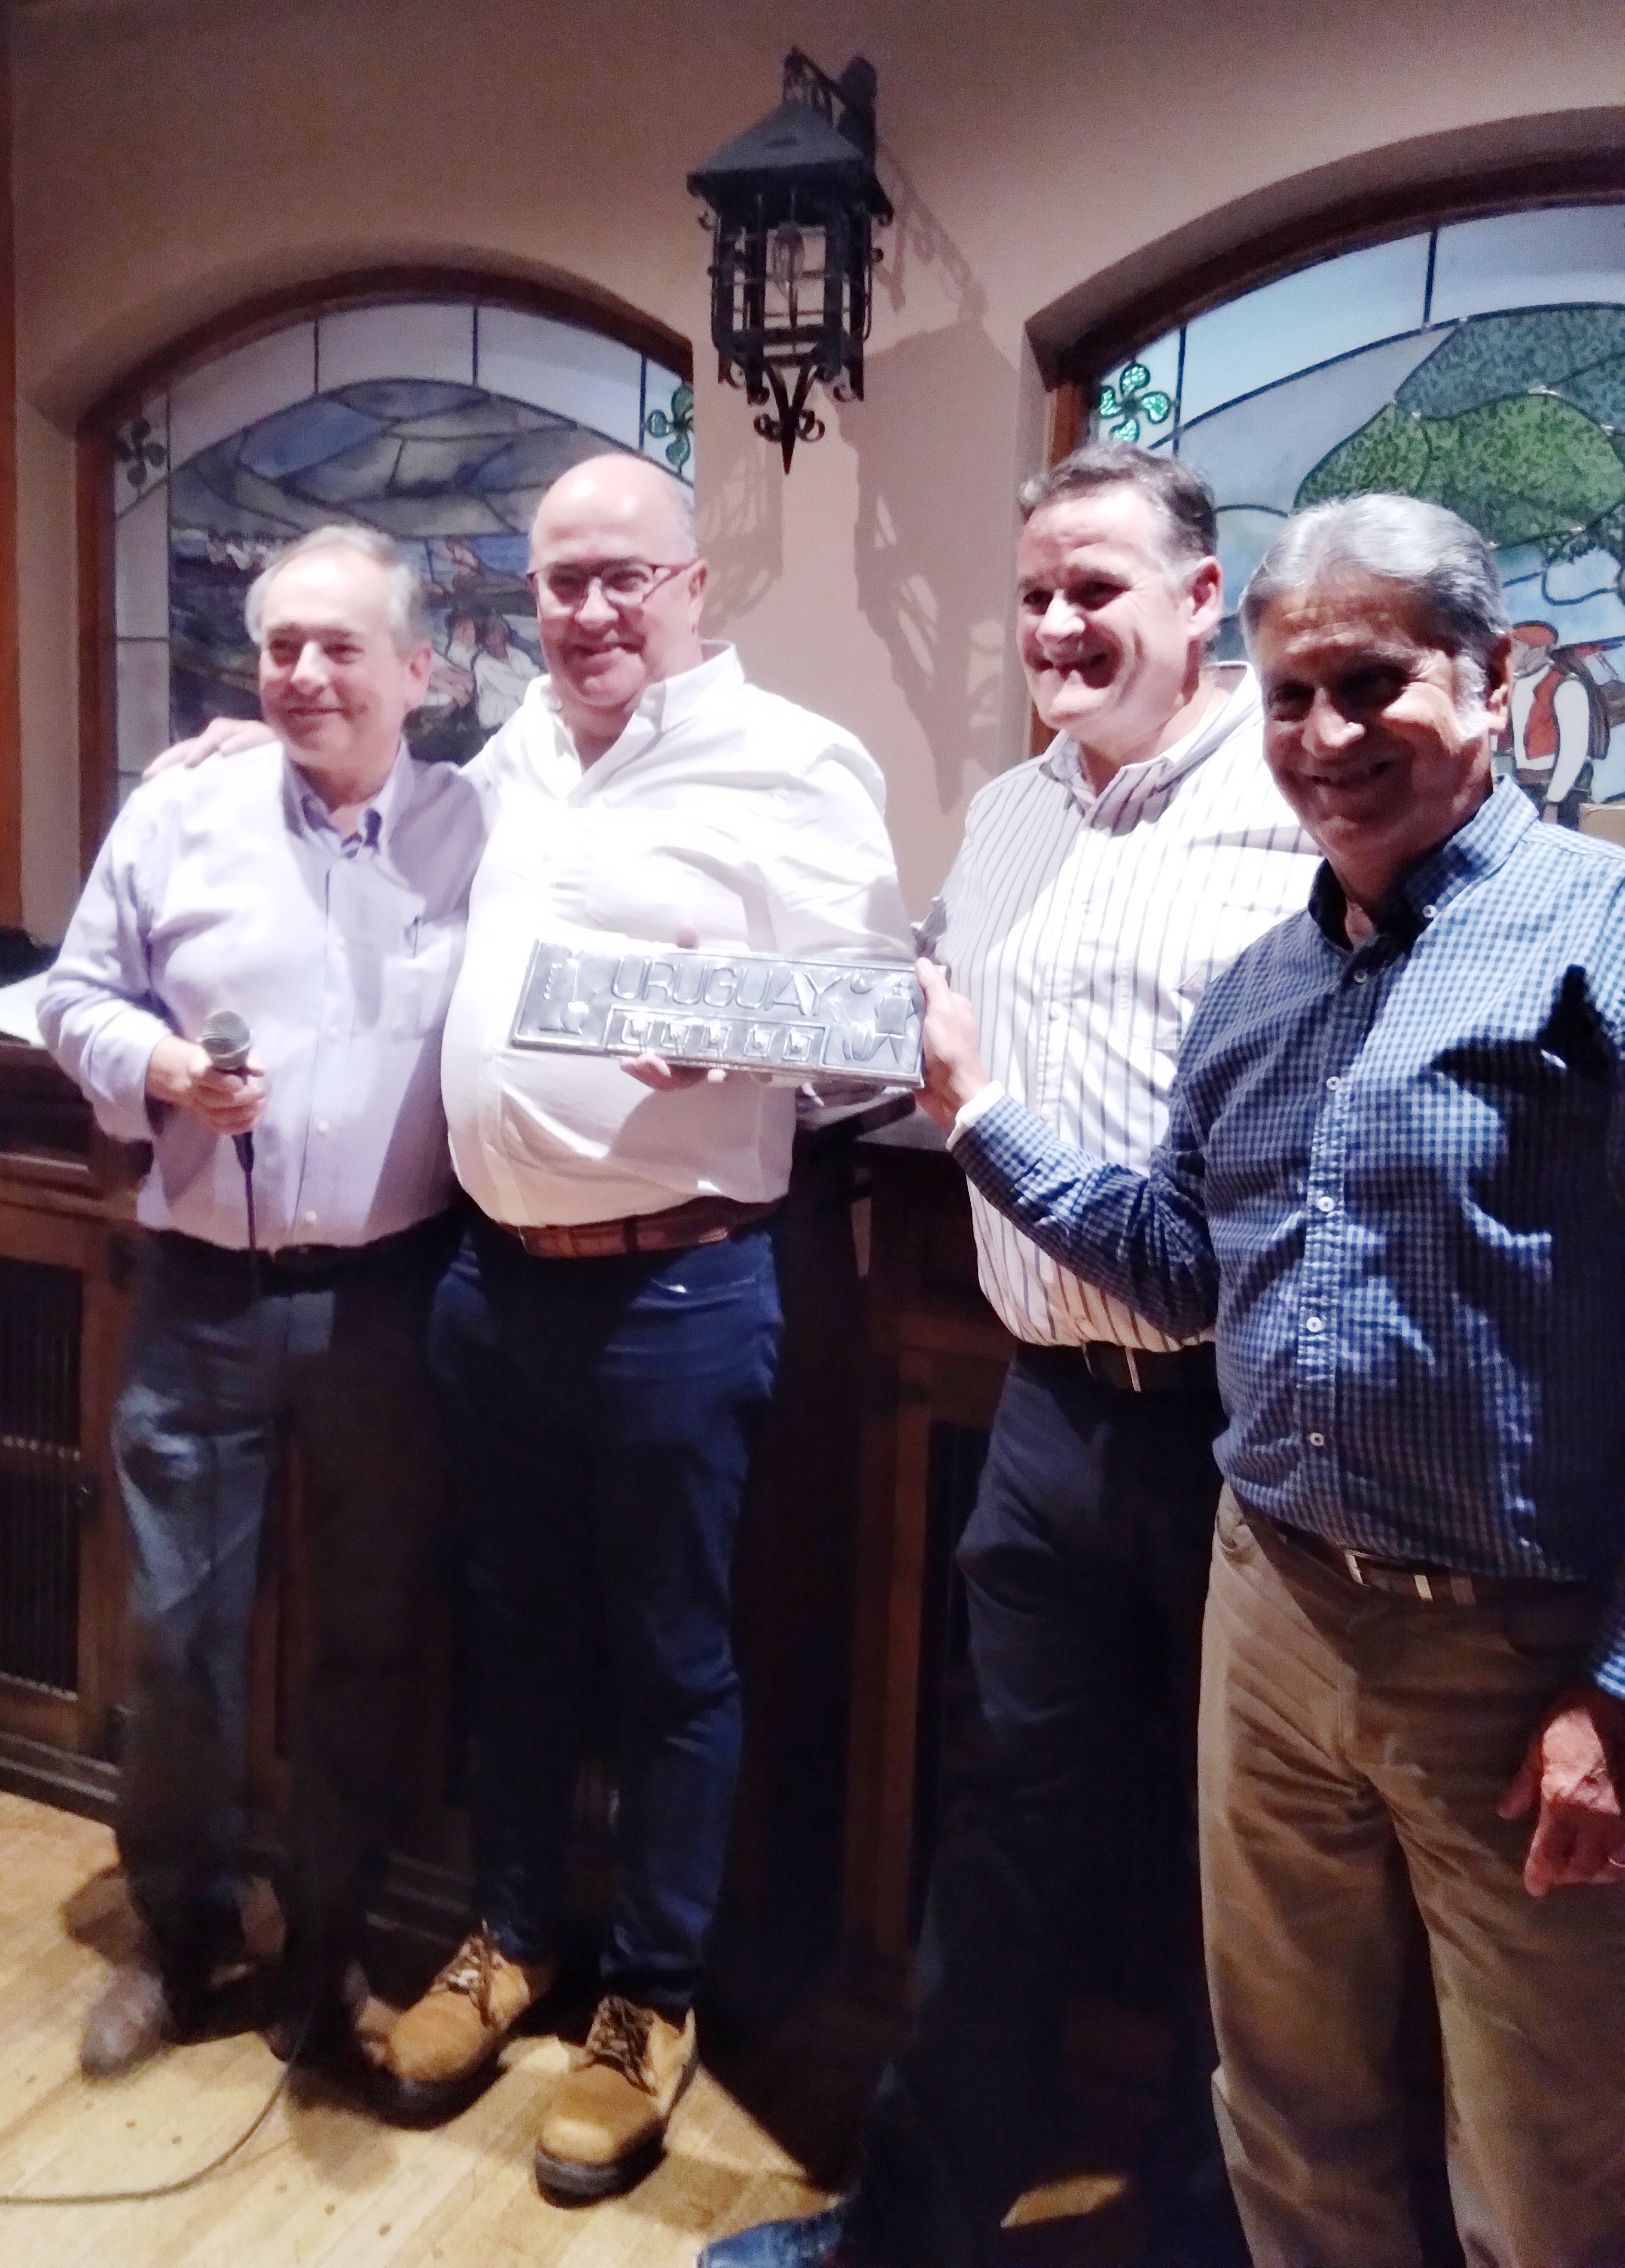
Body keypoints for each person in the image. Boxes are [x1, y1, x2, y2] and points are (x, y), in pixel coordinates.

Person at [153, 454, 912, 2200]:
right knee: (512, 1633)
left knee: (671, 1657)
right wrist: (247, 752)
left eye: (622, 575)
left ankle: (650, 1998)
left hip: (678, 1285)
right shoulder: (510, 758)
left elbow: (881, 1019)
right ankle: (511, 1933)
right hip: (491, 1285)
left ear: (692, 584)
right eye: (559, 579)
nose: (588, 609)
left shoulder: (791, 760)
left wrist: (743, 1031)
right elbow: (364, 791)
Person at [915, 493, 1625, 2268]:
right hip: (1273, 1607)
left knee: (1544, 2172)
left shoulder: (1598, 936)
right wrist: (981, 1119)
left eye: (1371, 685)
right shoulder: (1264, 989)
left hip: (1508, 1653)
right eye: (1294, 696)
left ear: (1489, 682)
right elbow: (1183, 1264)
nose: (1323, 737)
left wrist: (1617, 1683)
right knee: (1290, 2118)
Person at [706, 441, 1318, 2268]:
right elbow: (927, 1024)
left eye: (1092, 589)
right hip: (1044, 1410)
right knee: (1000, 1836)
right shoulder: (1005, 813)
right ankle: (908, 2234)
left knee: (1247, 1879)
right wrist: (725, 1024)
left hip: (1250, 1437)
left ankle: (1209, 2243)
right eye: (1034, 592)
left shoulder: (1297, 807)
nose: (1054, 624)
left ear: (1198, 600)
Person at [40, 524, 484, 2074]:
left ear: (418, 672)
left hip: (393, 1305)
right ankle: (185, 1936)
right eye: (279, 646)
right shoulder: (181, 813)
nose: (301, 674)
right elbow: (73, 998)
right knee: (175, 1640)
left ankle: (333, 1941)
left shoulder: (484, 829)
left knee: (369, 1640)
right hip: (199, 1298)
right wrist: (158, 1064)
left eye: (339, 646)